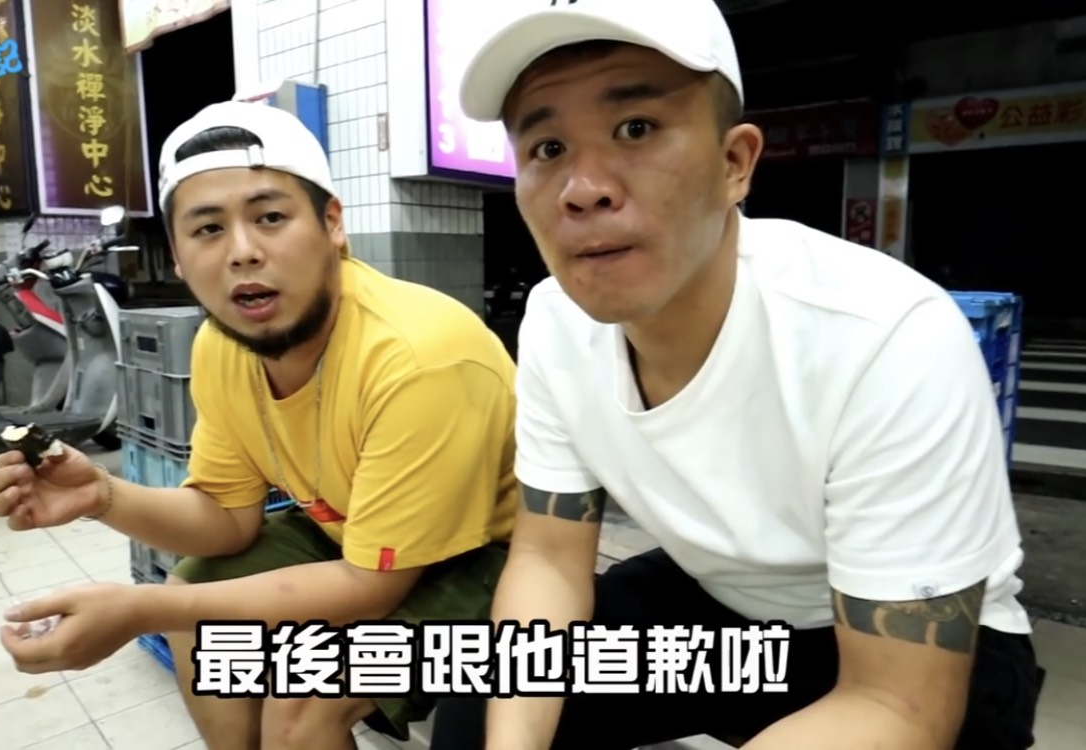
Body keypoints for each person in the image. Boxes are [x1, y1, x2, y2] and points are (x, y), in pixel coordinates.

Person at [429, 1, 1041, 749]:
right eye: (548, 147)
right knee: (480, 714)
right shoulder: (556, 321)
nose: (583, 188)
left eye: (635, 128)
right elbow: (549, 558)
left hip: (919, 651)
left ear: (735, 163)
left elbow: (897, 704)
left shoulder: (884, 333)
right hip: (723, 607)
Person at [0, 101, 519, 750]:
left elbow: (371, 589)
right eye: (208, 229)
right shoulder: (223, 346)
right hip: (350, 531)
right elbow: (226, 517)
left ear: (332, 224)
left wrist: (139, 611)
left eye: (270, 218)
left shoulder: (417, 356)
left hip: (484, 554)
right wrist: (101, 495)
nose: (242, 252)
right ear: (178, 257)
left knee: (302, 699)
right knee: (196, 611)